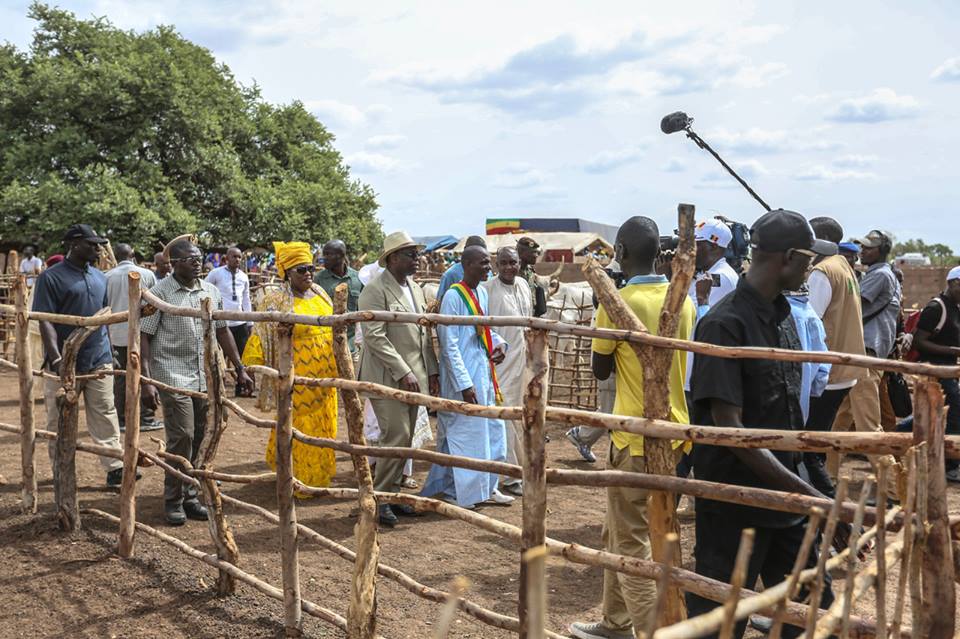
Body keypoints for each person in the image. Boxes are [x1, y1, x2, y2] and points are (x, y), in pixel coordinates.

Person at [685, 209, 844, 639]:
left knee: (812, 607)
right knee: (718, 620)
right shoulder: (724, 324)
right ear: (789, 258)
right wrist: (815, 498)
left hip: (786, 496)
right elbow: (733, 433)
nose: (811, 270)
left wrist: (811, 491)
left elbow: (787, 414)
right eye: (808, 261)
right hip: (736, 503)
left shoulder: (785, 318)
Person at [569, 217, 695, 639]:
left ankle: (649, 630)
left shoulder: (616, 301)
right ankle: (615, 622)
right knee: (625, 529)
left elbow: (600, 368)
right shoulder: (684, 299)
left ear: (620, 252)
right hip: (675, 433)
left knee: (632, 544)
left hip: (634, 435)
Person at [140, 238, 254, 526]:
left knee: (203, 435)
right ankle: (173, 499)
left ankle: (191, 496)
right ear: (175, 263)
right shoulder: (158, 294)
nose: (197, 262)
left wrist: (239, 368)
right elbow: (143, 336)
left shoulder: (210, 291)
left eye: (199, 257)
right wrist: (147, 381)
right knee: (182, 436)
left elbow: (223, 331)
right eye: (190, 258)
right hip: (171, 373)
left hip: (204, 375)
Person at [32, 225, 126, 486]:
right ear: (74, 244)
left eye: (99, 244)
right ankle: (61, 469)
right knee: (59, 417)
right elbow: (45, 321)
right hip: (64, 362)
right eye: (92, 244)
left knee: (106, 412)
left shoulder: (99, 277)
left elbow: (104, 315)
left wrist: (111, 352)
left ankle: (114, 466)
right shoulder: (50, 278)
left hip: (98, 358)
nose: (98, 249)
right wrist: (57, 359)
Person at [242, 242, 340, 492]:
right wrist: (253, 365)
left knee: (324, 424)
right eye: (300, 270)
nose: (308, 273)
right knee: (299, 424)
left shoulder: (320, 293)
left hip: (326, 374)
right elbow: (262, 333)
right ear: (286, 272)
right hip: (298, 375)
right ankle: (298, 479)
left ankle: (318, 475)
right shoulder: (277, 300)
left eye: (310, 267)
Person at [421, 245, 512, 510]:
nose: (488, 268)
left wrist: (500, 344)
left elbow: (483, 331)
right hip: (465, 377)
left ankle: (488, 487)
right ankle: (463, 493)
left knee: (492, 431)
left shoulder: (481, 293)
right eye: (483, 263)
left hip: (484, 372)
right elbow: (449, 345)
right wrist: (464, 383)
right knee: (466, 435)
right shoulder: (453, 296)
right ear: (467, 265)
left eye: (488, 263)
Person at [358, 231, 439, 527]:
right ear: (392, 258)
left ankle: (391, 496)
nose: (416, 259)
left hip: (413, 375)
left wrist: (431, 370)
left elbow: (422, 335)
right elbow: (375, 337)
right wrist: (403, 370)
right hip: (387, 376)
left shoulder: (415, 289)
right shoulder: (375, 290)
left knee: (405, 439)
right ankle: (378, 500)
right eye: (410, 254)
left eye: (415, 254)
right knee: (395, 436)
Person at [827, 230, 902, 496]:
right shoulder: (883, 274)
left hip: (865, 356)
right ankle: (827, 478)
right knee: (840, 419)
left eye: (869, 248)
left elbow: (852, 304)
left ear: (881, 250)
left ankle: (895, 492)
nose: (863, 252)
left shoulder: (879, 275)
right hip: (866, 355)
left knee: (869, 426)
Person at [803, 216, 865, 498]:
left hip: (827, 373)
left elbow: (809, 322)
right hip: (845, 369)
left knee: (808, 449)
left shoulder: (822, 272)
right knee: (818, 445)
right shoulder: (843, 266)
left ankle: (826, 508)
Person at [482, 246, 532, 496]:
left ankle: (522, 469)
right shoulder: (488, 290)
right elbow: (485, 327)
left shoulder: (523, 285)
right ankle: (509, 475)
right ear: (496, 265)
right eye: (503, 263)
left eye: (512, 263)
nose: (508, 268)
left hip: (525, 362)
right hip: (502, 364)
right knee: (505, 416)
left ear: (519, 263)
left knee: (523, 416)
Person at [105, 243, 162, 432]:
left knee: (120, 378)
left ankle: (121, 419)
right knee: (145, 374)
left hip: (116, 335)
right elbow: (155, 304)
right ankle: (146, 418)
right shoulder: (146, 274)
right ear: (133, 255)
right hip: (142, 334)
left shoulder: (107, 277)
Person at [914, 266, 960, 482]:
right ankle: (951, 464)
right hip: (934, 369)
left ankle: (898, 433)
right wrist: (953, 351)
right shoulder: (936, 307)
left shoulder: (955, 307)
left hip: (948, 368)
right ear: (951, 283)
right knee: (953, 410)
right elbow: (920, 341)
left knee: (934, 412)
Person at [205, 246, 254, 396]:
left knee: (242, 357)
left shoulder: (244, 277)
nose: (237, 259)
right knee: (217, 357)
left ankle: (242, 388)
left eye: (239, 257)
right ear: (227, 258)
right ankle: (217, 388)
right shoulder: (216, 274)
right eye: (234, 257)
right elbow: (204, 288)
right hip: (221, 324)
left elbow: (246, 299)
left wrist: (250, 321)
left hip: (240, 323)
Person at [314, 239, 363, 360]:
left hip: (352, 347)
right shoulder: (319, 279)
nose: (324, 258)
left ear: (341, 256)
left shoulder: (357, 279)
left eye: (328, 254)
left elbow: (364, 309)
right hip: (325, 347)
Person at [437, 235, 486, 302]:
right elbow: (440, 302)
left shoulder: (488, 273)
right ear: (465, 250)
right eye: (476, 252)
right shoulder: (450, 275)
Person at [517, 236, 548, 317]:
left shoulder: (530, 270)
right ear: (521, 252)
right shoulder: (512, 272)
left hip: (532, 314)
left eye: (537, 252)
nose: (536, 255)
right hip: (518, 314)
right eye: (533, 252)